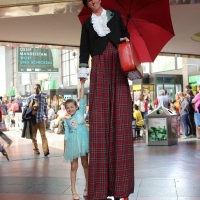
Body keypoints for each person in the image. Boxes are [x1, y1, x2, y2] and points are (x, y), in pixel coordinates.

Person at [78, 1, 134, 199]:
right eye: (89, 0)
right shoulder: (87, 24)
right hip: (100, 68)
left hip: (118, 66)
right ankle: (100, 189)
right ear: (86, 4)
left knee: (120, 125)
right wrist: (83, 73)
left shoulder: (115, 15)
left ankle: (121, 189)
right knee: (100, 126)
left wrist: (126, 39)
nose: (93, 1)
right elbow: (84, 49)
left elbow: (126, 35)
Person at [64, 78, 89, 199]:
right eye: (67, 108)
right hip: (73, 145)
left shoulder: (81, 112)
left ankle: (87, 187)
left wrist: (82, 84)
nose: (70, 109)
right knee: (74, 166)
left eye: (72, 106)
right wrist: (65, 150)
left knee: (85, 164)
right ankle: (73, 191)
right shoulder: (67, 121)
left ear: (76, 106)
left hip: (84, 142)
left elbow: (82, 97)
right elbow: (66, 136)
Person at [25, 84, 50, 156]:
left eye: (37, 88)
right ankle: (35, 149)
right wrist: (31, 111)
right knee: (33, 136)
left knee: (43, 135)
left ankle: (46, 150)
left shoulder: (43, 97)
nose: (36, 90)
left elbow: (45, 108)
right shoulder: (30, 98)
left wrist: (46, 117)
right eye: (34, 88)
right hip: (33, 120)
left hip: (41, 119)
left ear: (40, 89)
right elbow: (25, 107)